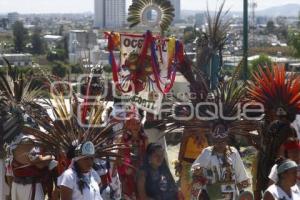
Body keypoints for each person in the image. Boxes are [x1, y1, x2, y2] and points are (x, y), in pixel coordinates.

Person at [191, 124, 250, 200]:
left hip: (231, 195)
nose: (220, 144)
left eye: (222, 141)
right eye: (217, 141)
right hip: (211, 195)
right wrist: (198, 172)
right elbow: (194, 171)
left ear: (226, 140)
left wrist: (242, 192)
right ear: (213, 141)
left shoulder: (233, 152)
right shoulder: (207, 152)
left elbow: (240, 174)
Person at [9, 134, 56, 200]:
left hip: (18, 185)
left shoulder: (12, 142)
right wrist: (48, 157)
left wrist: (47, 157)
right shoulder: (27, 141)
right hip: (30, 186)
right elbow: (39, 164)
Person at [116, 109, 148, 200]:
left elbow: (147, 156)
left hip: (140, 172)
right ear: (127, 125)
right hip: (127, 173)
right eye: (132, 123)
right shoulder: (122, 139)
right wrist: (124, 171)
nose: (135, 126)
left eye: (137, 123)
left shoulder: (144, 138)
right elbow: (118, 160)